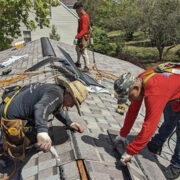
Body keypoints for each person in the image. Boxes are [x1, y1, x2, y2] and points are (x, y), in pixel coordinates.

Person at [113, 65, 180, 180]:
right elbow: (132, 111)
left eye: (129, 97)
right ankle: (156, 144)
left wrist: (131, 152)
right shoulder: (138, 80)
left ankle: (176, 165)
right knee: (170, 119)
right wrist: (123, 134)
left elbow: (150, 126)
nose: (130, 100)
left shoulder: (155, 92)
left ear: (136, 88)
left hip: (166, 87)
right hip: (173, 88)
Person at [0, 79, 88, 153]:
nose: (72, 106)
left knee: (38, 125)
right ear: (68, 93)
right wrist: (42, 132)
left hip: (11, 106)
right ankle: (12, 146)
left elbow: (55, 109)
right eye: (74, 102)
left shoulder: (57, 90)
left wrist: (69, 122)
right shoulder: (57, 95)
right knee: (19, 147)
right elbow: (41, 107)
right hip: (9, 116)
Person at [73, 2, 90, 72]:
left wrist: (77, 37)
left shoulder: (84, 17)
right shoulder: (82, 17)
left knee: (83, 52)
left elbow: (84, 30)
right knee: (77, 49)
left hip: (83, 37)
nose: (76, 12)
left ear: (80, 9)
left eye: (76, 10)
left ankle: (87, 67)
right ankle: (78, 63)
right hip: (81, 36)